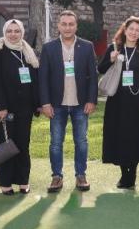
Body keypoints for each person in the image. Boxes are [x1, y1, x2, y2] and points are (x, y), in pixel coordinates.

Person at [38, 10, 98, 194]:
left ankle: (81, 175)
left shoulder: (87, 46)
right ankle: (57, 176)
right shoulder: (49, 48)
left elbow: (93, 76)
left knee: (81, 141)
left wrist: (91, 100)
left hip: (81, 104)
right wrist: (45, 103)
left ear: (76, 26)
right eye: (64, 24)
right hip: (57, 105)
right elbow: (43, 78)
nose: (67, 27)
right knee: (56, 142)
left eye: (71, 24)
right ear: (58, 26)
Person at [98, 16, 139, 189]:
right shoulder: (114, 48)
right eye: (131, 29)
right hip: (118, 102)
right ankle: (125, 174)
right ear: (125, 30)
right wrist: (111, 59)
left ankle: (133, 173)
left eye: (138, 30)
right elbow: (100, 69)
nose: (134, 33)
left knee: (136, 137)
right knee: (120, 137)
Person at [0, 18, 40, 196]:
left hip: (25, 108)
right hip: (5, 109)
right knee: (6, 144)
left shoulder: (28, 51)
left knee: (23, 144)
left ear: (22, 33)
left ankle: (23, 180)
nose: (13, 34)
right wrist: (1, 107)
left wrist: (37, 103)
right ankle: (5, 183)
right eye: (9, 31)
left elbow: (35, 80)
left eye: (17, 31)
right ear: (4, 33)